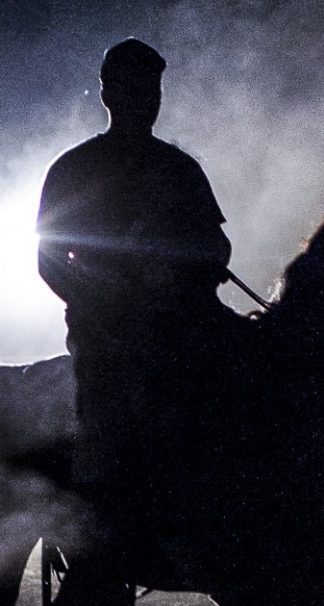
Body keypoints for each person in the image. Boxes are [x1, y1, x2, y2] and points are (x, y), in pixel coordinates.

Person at [36, 38, 237, 510]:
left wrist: (194, 268)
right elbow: (49, 261)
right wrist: (104, 303)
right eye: (136, 89)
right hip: (107, 331)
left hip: (184, 322)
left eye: (153, 90)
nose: (148, 101)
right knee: (111, 412)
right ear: (108, 94)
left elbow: (217, 244)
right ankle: (97, 516)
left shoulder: (180, 169)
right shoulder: (74, 169)